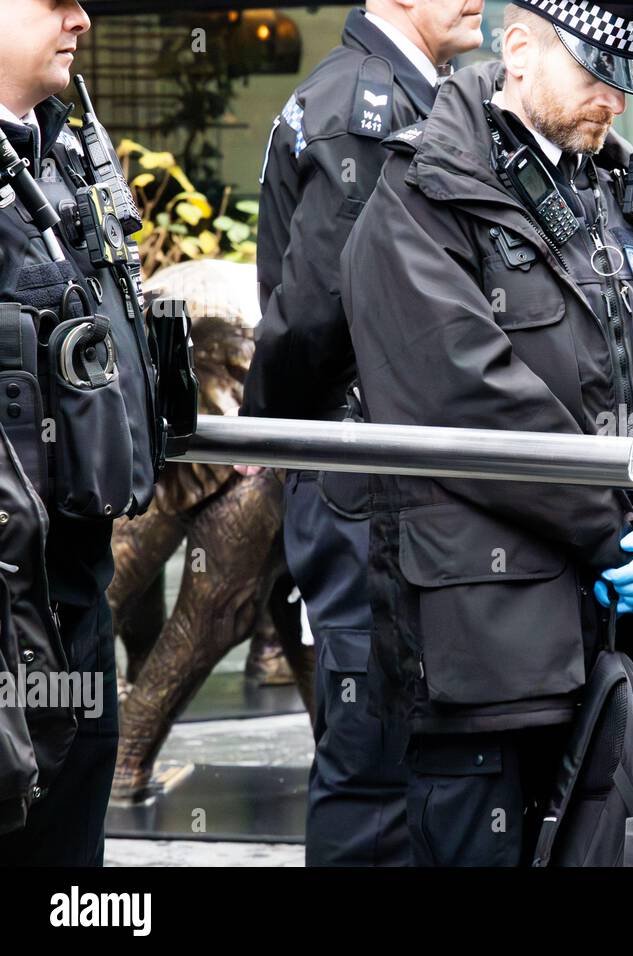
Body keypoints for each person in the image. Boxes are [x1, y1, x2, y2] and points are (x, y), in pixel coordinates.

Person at [341, 0, 633, 867]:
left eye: (623, 77)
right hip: (487, 658)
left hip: (632, 655)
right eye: (595, 71)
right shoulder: (423, 195)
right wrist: (619, 528)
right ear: (519, 48)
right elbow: (466, 398)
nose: (613, 97)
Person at [242, 1, 484, 866]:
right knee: (375, 764)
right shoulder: (365, 108)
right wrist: (285, 443)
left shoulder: (402, 93)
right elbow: (313, 315)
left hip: (381, 476)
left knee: (411, 749)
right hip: (363, 478)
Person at [0, 0, 162, 865]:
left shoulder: (60, 154)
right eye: (52, 2)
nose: (81, 19)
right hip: (8, 606)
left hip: (73, 588)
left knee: (72, 864)